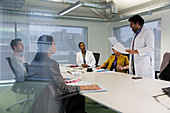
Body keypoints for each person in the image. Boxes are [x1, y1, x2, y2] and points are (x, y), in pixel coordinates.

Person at [29, 35, 100, 113]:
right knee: (79, 96)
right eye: (54, 44)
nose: (55, 46)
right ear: (49, 47)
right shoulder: (52, 63)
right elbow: (64, 89)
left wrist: (59, 79)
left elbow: (46, 79)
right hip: (52, 101)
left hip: (41, 101)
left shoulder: (34, 62)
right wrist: (87, 87)